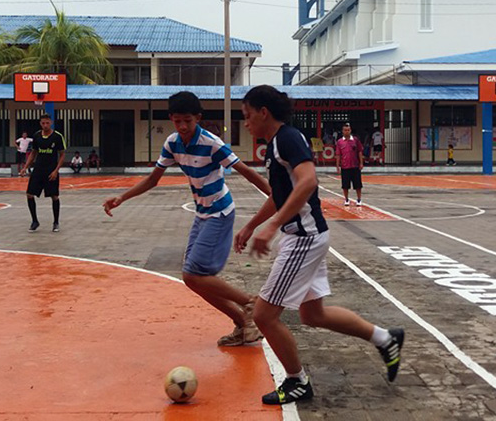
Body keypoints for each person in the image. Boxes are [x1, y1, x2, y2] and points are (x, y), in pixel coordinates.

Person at [235, 85, 405, 406]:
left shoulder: (287, 138)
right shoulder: (275, 145)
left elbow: (309, 182)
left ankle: (297, 381)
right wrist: (251, 225)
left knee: (264, 315)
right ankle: (386, 338)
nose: (245, 123)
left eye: (246, 116)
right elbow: (279, 196)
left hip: (304, 238)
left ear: (263, 113)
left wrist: (272, 225)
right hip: (304, 236)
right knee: (313, 315)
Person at [103, 91, 273, 347]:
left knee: (194, 274)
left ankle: (250, 302)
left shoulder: (212, 143)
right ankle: (243, 323)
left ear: (198, 119)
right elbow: (153, 179)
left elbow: (246, 171)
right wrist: (122, 198)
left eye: (188, 121)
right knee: (192, 280)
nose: (182, 126)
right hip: (202, 213)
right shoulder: (173, 143)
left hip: (220, 211)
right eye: (178, 121)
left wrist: (276, 195)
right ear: (171, 118)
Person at [20, 115, 66, 233]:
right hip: (38, 170)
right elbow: (33, 153)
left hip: (51, 170)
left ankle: (56, 222)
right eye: (43, 123)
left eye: (47, 123)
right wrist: (25, 167)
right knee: (30, 194)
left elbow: (62, 155)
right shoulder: (36, 136)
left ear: (50, 123)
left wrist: (56, 170)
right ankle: (35, 221)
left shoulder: (57, 136)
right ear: (40, 124)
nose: (45, 125)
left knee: (54, 196)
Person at [335, 123, 364, 207]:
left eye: (348, 130)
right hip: (345, 166)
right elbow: (338, 154)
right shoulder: (340, 142)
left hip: (355, 166)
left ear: (350, 131)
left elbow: (359, 152)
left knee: (358, 185)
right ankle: (346, 199)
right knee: (345, 185)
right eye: (345, 130)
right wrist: (337, 166)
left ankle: (359, 199)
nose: (347, 132)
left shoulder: (355, 140)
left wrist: (361, 163)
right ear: (342, 131)